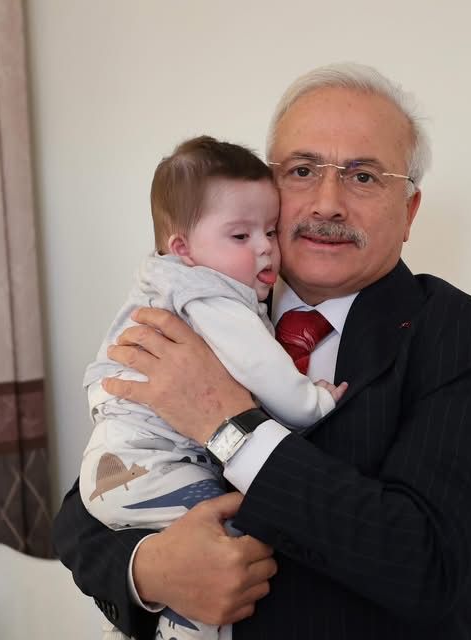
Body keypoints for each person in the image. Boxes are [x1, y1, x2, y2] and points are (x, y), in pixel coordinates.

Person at [54, 62, 471, 640]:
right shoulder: (194, 306)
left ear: (409, 211)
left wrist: (228, 424)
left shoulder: (468, 337)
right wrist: (150, 571)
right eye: (302, 171)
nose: (327, 204)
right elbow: (90, 503)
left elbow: (427, 561)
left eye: (363, 176)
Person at [79, 135, 346, 640]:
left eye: (269, 230)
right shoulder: (211, 295)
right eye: (240, 236)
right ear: (183, 248)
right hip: (146, 463)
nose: (265, 247)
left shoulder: (164, 284)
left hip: (121, 456)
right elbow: (261, 366)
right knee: (223, 550)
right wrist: (313, 402)